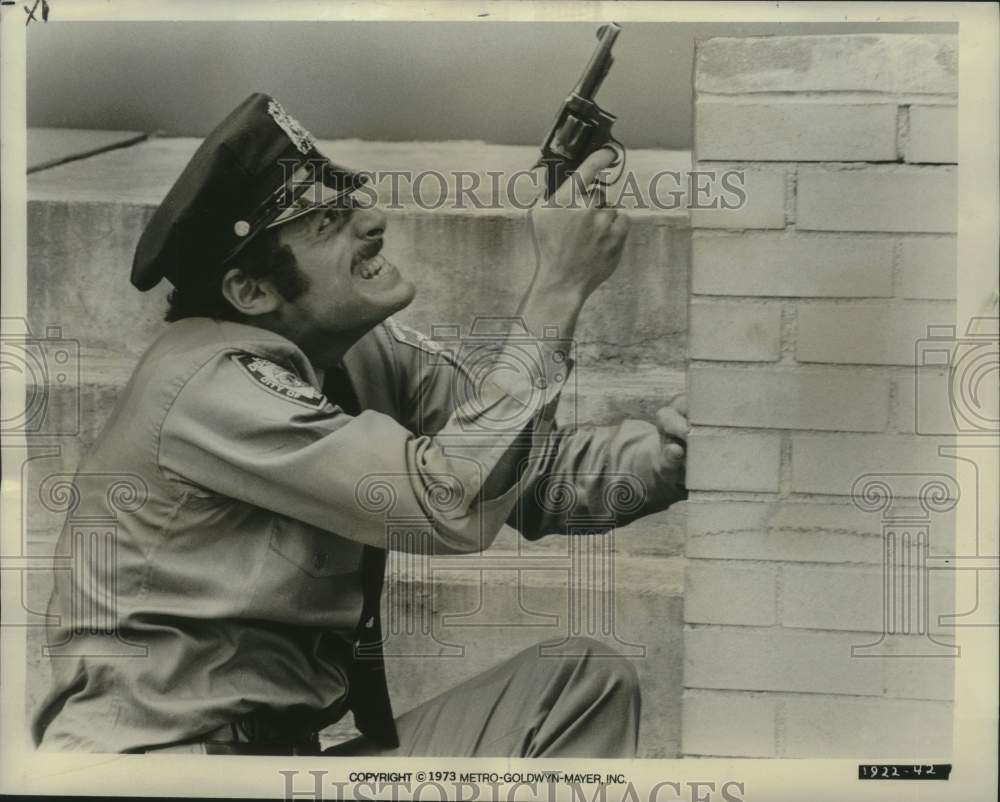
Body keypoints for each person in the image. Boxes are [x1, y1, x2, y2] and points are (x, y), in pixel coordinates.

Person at [31, 93, 688, 756]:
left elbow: (533, 473)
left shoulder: (356, 352)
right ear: (251, 291)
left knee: (578, 686)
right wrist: (559, 290)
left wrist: (675, 452)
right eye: (326, 221)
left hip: (277, 765)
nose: (372, 220)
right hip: (160, 771)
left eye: (351, 199)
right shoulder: (210, 386)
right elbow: (448, 503)